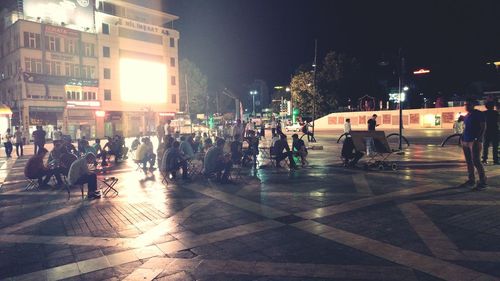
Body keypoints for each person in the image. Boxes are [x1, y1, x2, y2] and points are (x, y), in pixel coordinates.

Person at [461, 99, 487, 190]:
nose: (466, 106)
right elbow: (465, 128)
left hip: (474, 141)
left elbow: (483, 127)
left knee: (476, 161)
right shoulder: (467, 115)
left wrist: (478, 139)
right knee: (469, 162)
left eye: (468, 104)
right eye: (465, 104)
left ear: (473, 105)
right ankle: (471, 180)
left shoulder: (478, 114)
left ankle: (483, 181)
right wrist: (462, 139)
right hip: (465, 141)